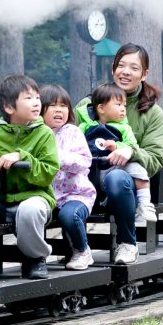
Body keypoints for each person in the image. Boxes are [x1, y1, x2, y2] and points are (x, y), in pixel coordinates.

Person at [75, 44, 163, 265]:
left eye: (134, 68)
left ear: (144, 74)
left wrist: (130, 151)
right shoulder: (87, 105)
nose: (125, 72)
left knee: (117, 178)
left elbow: (155, 160)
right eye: (121, 65)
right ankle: (76, 248)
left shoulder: (153, 114)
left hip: (126, 185)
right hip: (87, 178)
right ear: (113, 69)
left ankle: (127, 244)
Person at [0, 75, 59, 280]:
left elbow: (48, 172)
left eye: (37, 97)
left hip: (35, 199)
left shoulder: (45, 134)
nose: (37, 102)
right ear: (9, 107)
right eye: (28, 98)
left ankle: (35, 258)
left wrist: (22, 156)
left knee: (30, 210)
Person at [77, 83, 157, 224]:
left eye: (124, 106)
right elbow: (75, 144)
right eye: (118, 105)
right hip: (91, 169)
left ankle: (144, 203)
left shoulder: (124, 128)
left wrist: (117, 146)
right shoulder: (84, 126)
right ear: (101, 108)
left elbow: (132, 146)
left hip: (116, 167)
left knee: (138, 169)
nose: (123, 109)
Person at [40, 84, 96, 271]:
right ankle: (36, 258)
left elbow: (84, 162)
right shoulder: (37, 134)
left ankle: (82, 251)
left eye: (64, 106)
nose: (59, 110)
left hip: (76, 195)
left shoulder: (72, 132)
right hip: (47, 196)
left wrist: (57, 157)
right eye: (53, 105)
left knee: (69, 216)